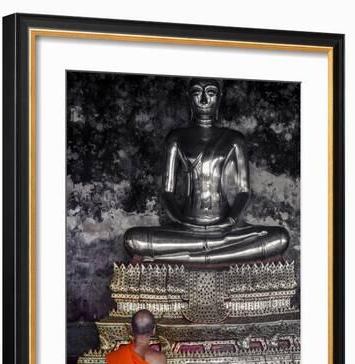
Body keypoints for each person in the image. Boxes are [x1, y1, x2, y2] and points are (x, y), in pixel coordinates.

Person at [124, 78, 289, 264]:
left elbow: (244, 191)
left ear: (219, 98)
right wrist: (181, 221)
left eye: (210, 93)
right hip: (186, 228)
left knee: (280, 237)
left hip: (226, 227)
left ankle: (201, 255)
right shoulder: (176, 138)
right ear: (189, 98)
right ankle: (213, 252)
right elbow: (167, 192)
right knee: (133, 239)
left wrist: (231, 221)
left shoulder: (234, 139)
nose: (203, 100)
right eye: (197, 93)